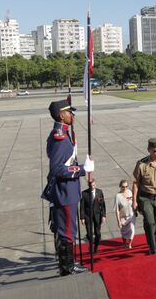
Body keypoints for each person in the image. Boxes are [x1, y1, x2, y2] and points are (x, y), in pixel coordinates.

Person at [41, 99, 94, 276]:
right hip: (65, 193)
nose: (72, 115)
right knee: (67, 231)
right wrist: (81, 170)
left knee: (68, 230)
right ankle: (67, 268)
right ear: (60, 115)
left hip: (67, 192)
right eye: (69, 112)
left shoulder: (60, 133)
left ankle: (68, 264)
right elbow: (57, 168)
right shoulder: (60, 138)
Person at [80, 179, 106, 253]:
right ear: (88, 185)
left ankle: (96, 246)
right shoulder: (84, 193)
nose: (92, 187)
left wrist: (104, 215)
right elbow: (82, 206)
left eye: (94, 185)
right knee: (89, 233)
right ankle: (91, 245)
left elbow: (103, 205)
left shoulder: (99, 192)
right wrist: (82, 218)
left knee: (97, 234)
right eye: (91, 186)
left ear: (96, 185)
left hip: (97, 216)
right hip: (88, 216)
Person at [114, 179, 136, 249]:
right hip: (123, 217)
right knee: (124, 232)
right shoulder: (118, 196)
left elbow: (134, 201)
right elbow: (117, 209)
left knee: (132, 230)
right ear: (120, 186)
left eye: (126, 186)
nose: (125, 188)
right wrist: (118, 221)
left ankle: (129, 244)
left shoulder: (130, 192)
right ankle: (124, 243)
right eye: (123, 187)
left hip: (131, 215)